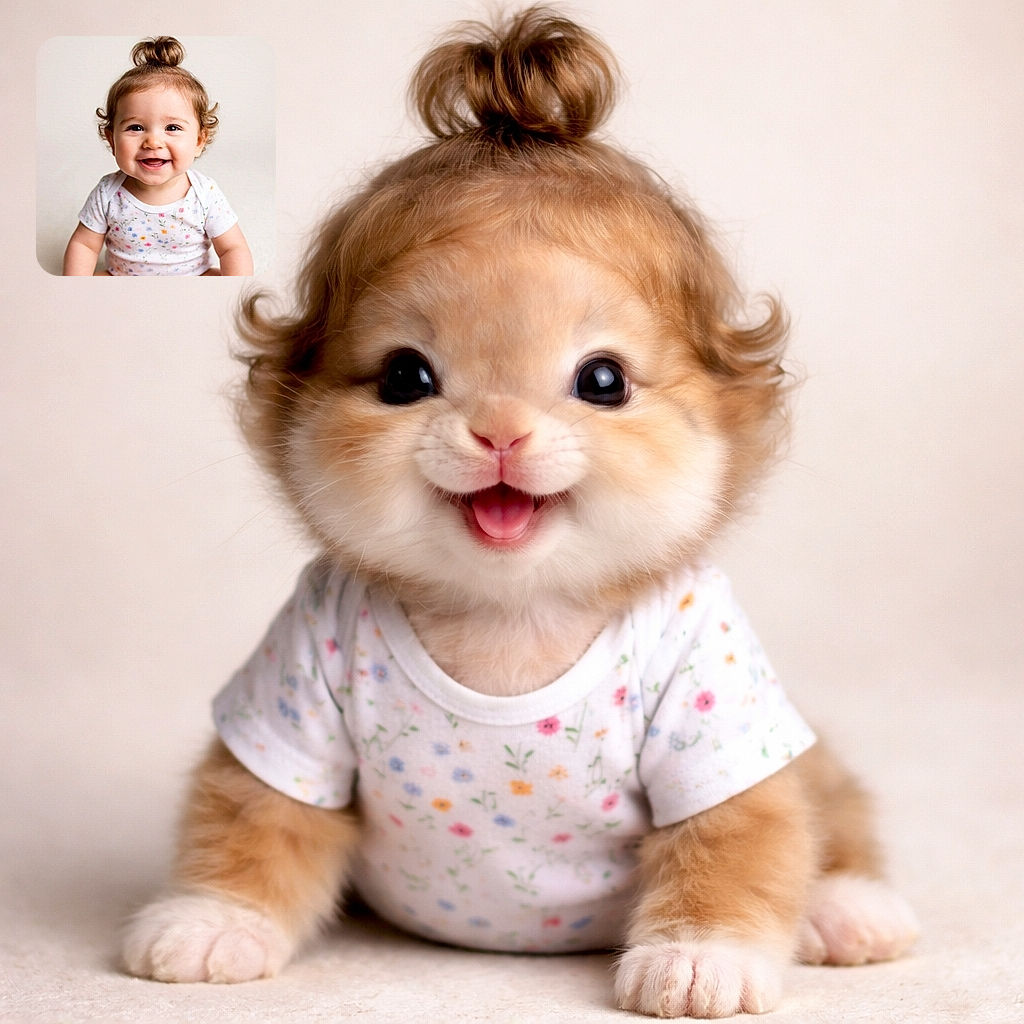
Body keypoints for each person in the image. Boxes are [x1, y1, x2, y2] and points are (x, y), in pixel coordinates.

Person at [62, 37, 253, 276]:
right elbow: (85, 245)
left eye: (172, 128)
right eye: (136, 128)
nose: (153, 142)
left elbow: (233, 249)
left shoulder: (205, 194)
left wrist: (232, 291)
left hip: (193, 279)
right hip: (122, 278)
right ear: (111, 140)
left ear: (199, 141)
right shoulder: (107, 192)